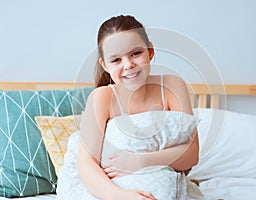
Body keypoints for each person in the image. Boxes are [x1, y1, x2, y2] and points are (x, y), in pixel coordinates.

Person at [57, 15, 202, 200]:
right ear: (105, 65)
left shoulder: (172, 86)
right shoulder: (102, 97)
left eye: (135, 53)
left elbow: (191, 156)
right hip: (112, 190)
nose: (128, 65)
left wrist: (139, 161)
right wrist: (122, 196)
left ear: (150, 51)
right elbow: (87, 164)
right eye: (116, 60)